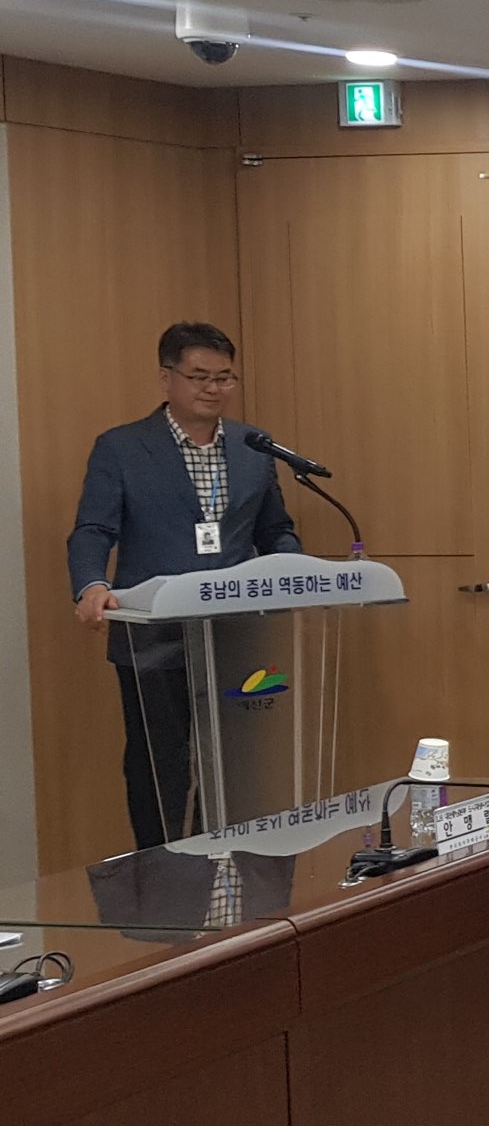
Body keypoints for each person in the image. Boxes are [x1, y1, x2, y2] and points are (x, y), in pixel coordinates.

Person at [68, 322, 302, 850]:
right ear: (166, 378)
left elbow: (275, 530)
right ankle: (163, 868)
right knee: (161, 764)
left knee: (234, 761)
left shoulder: (253, 446)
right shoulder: (122, 448)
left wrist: (292, 570)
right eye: (199, 376)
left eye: (225, 377)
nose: (213, 389)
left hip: (235, 634)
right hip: (152, 635)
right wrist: (90, 585)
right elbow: (93, 529)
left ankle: (224, 864)